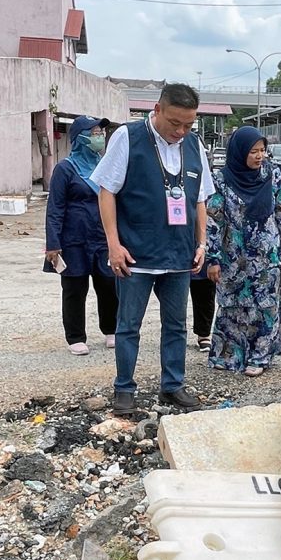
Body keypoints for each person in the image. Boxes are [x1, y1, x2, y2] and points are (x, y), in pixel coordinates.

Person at [90, 83, 211, 415]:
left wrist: (201, 243)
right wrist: (113, 244)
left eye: (188, 124)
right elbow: (107, 191)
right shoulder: (128, 138)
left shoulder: (194, 145)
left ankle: (172, 386)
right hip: (136, 254)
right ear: (157, 110)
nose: (181, 130)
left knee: (176, 325)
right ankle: (124, 389)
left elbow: (200, 199)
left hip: (179, 255)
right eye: (175, 123)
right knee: (128, 325)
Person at [206, 126, 281, 376]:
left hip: (267, 255)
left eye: (263, 150)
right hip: (233, 256)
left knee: (266, 305)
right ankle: (229, 355)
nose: (260, 156)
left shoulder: (273, 175)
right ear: (239, 153)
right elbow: (213, 221)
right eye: (253, 151)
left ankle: (261, 355)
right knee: (232, 305)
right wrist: (212, 258)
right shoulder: (221, 180)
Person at [44, 115, 118, 356]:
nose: (100, 137)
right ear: (80, 138)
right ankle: (75, 336)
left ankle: (111, 329)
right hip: (74, 239)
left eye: (101, 132)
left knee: (108, 284)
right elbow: (55, 209)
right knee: (75, 288)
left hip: (102, 237)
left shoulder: (106, 165)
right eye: (95, 133)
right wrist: (53, 243)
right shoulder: (65, 168)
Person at [189, 132, 217, 353]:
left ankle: (204, 333)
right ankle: (174, 331)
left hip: (201, 236)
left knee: (204, 288)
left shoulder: (210, 181)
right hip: (175, 236)